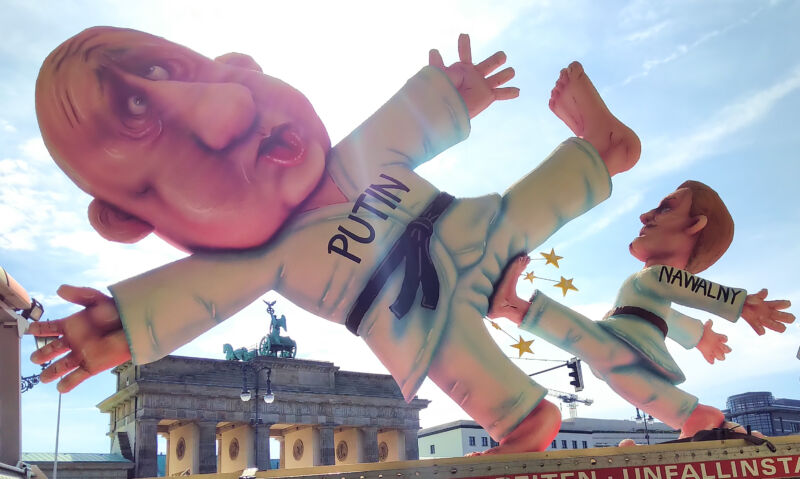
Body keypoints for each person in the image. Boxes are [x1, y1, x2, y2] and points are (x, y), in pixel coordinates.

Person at [29, 26, 641, 453]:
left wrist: (455, 91)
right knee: (469, 371)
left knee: (525, 208)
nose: (228, 110)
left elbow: (409, 118)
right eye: (176, 144)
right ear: (134, 221)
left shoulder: (355, 157)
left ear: (242, 68)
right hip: (414, 316)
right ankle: (525, 422)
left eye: (192, 74)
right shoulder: (260, 261)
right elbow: (194, 296)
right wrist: (121, 325)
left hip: (471, 228)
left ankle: (605, 150)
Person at [488, 180, 794, 440]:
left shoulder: (656, 275)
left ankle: (514, 306)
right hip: (631, 342)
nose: (646, 216)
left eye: (666, 208)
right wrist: (701, 336)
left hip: (623, 340)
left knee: (587, 341)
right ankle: (695, 415)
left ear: (694, 225)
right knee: (630, 381)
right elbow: (669, 317)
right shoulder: (654, 281)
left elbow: (689, 289)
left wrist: (739, 303)